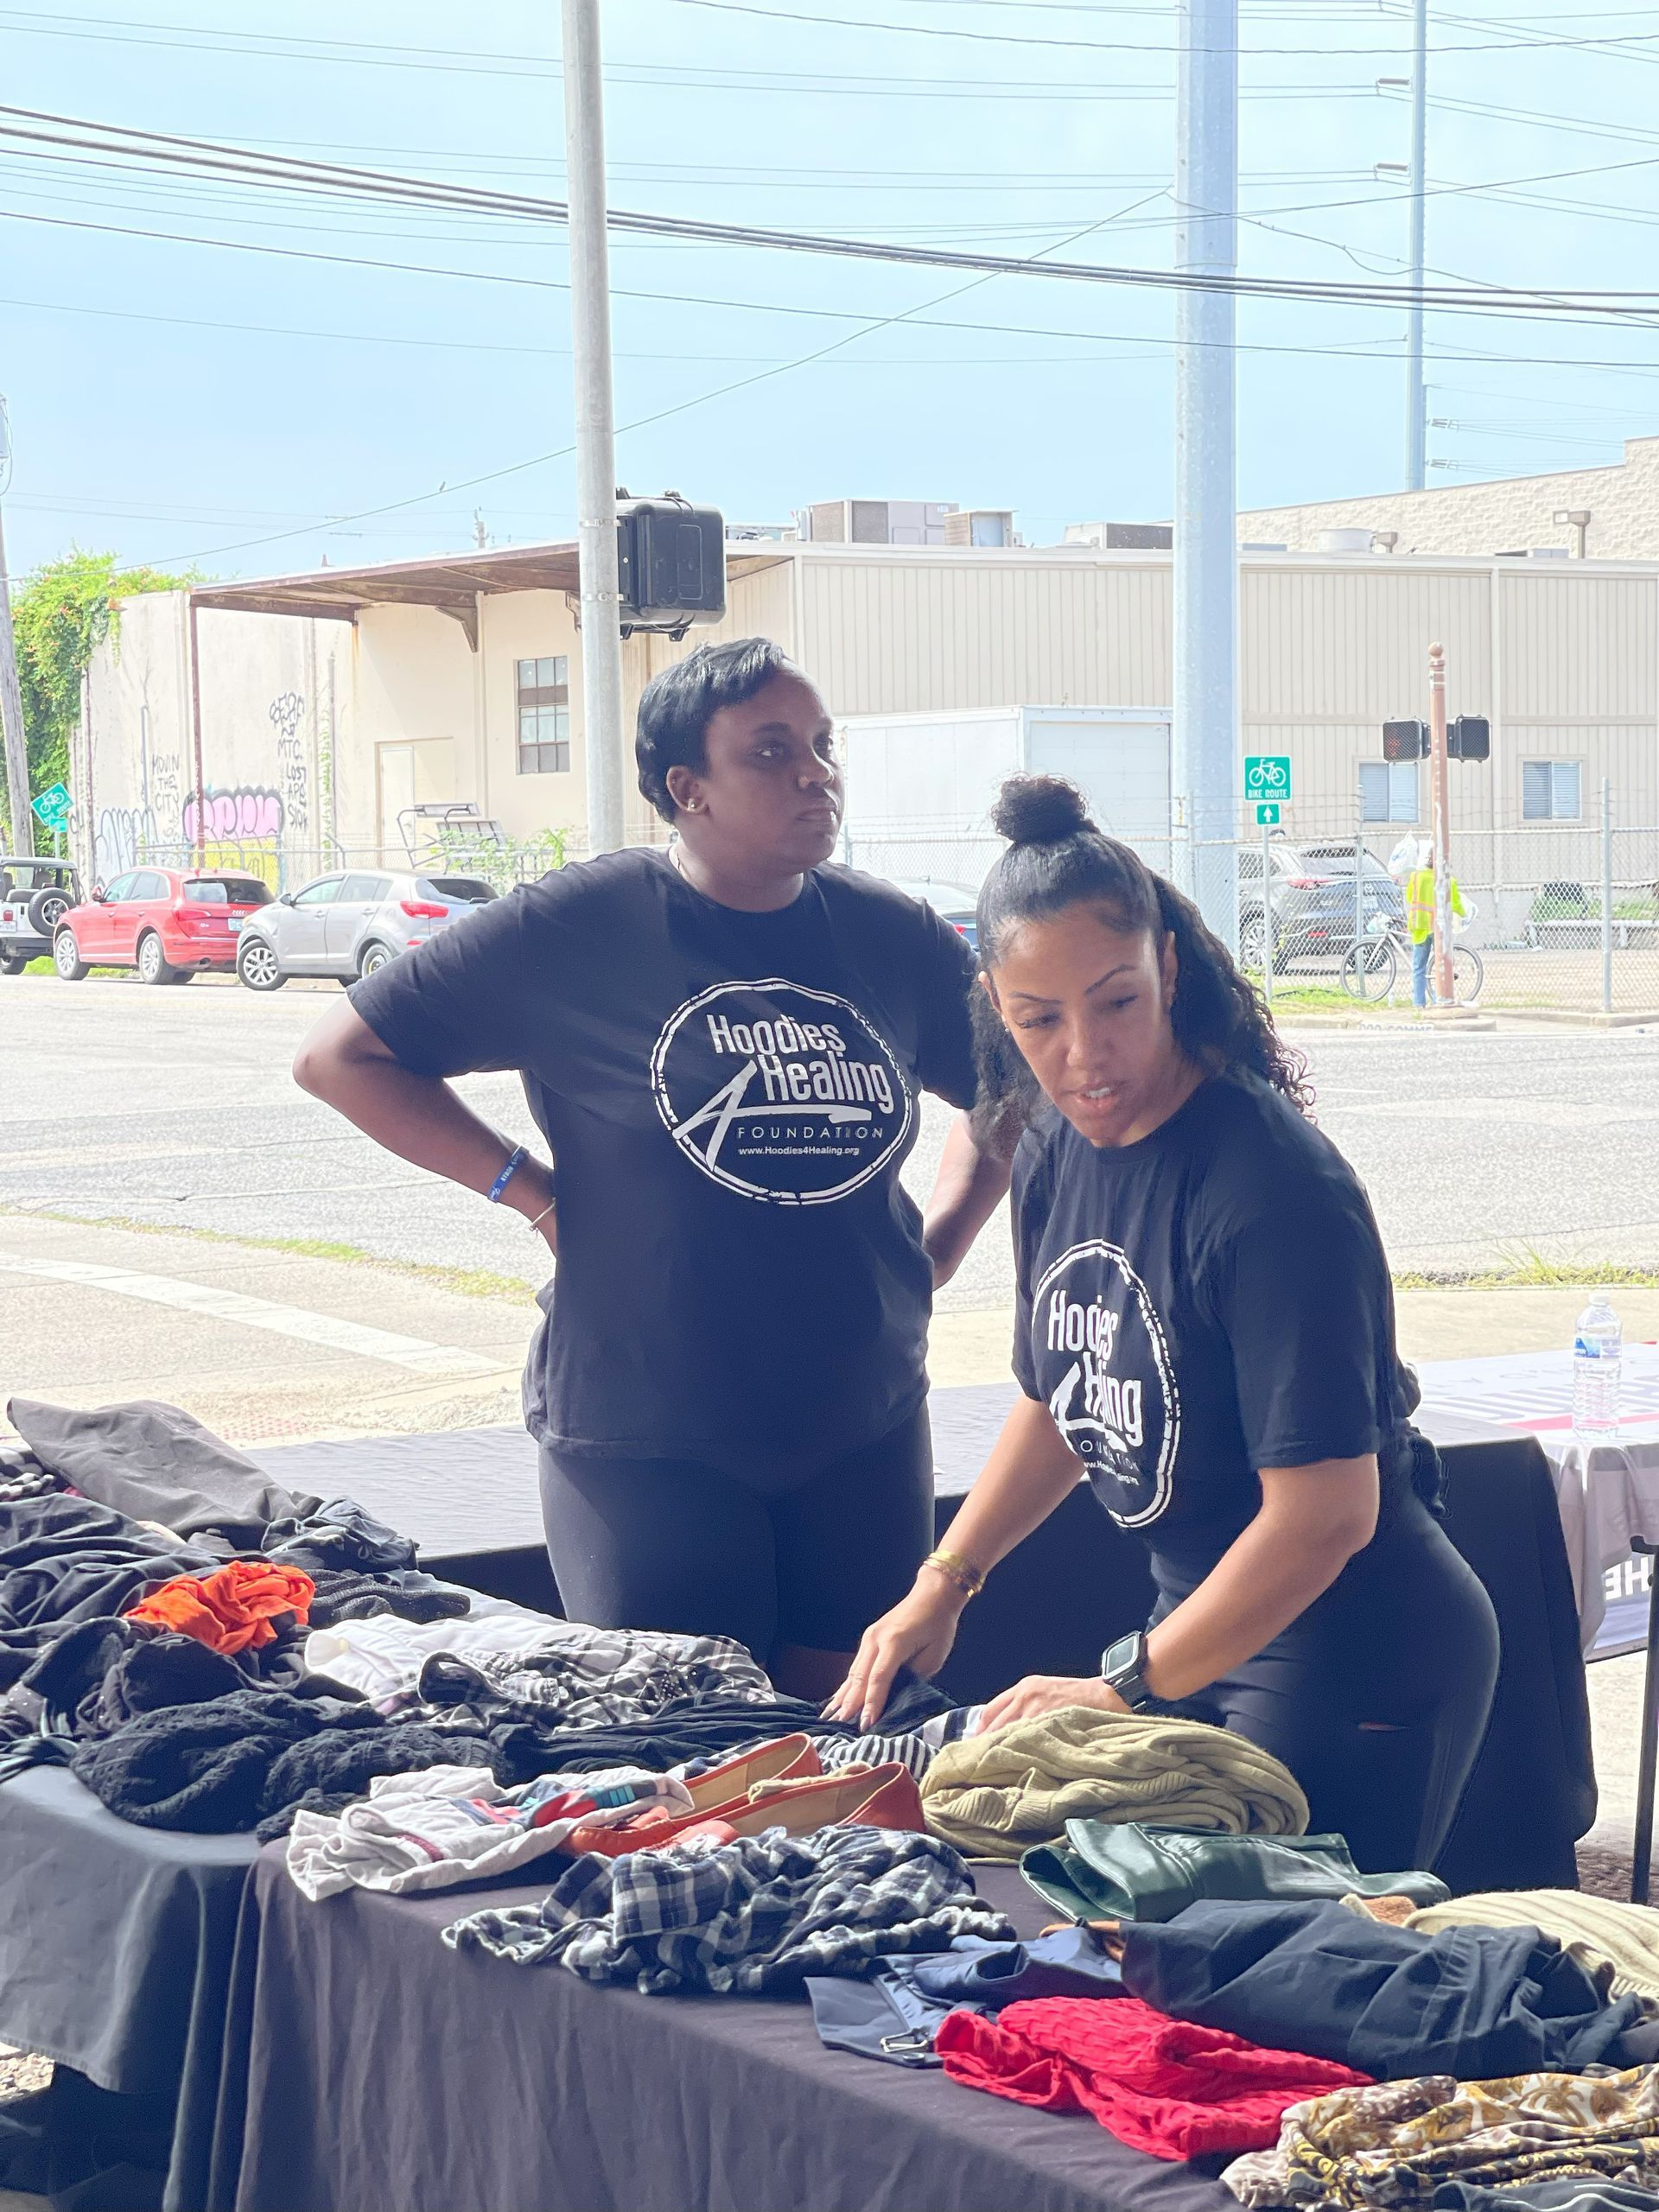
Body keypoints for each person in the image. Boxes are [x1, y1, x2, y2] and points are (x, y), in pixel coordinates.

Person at [292, 638, 1010, 1699]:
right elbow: (338, 1058)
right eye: (771, 751)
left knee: (848, 1742)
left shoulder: (889, 932)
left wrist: (940, 1241)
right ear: (687, 788)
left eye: (822, 745)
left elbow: (1011, 1089)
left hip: (863, 1422)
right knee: (695, 1744)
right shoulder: (581, 924)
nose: (816, 773)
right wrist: (528, 1192)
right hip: (648, 1434)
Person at [828, 775, 1500, 1872]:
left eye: (1116, 1002)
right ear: (996, 1007)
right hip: (1188, 1632)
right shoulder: (1051, 1145)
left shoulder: (1274, 1191)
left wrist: (1123, 1686)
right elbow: (1063, 1396)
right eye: (1040, 1019)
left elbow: (1326, 1517)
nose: (1084, 1055)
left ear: (1169, 969)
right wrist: (941, 1584)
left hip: (1352, 1644)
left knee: (1288, 1956)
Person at [1406, 842, 1466, 1010]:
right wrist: (1465, 915)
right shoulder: (1449, 881)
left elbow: (1410, 897)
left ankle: (1419, 1004)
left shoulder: (1416, 877)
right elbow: (1456, 905)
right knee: (1442, 965)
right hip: (1439, 929)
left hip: (1420, 926)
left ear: (1429, 859)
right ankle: (1439, 999)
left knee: (1419, 967)